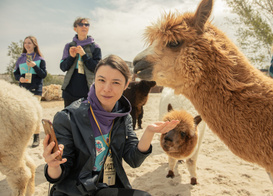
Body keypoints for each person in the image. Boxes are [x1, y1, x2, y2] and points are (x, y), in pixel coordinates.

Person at [43, 55, 179, 196]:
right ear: (94, 81)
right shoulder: (68, 117)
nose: (107, 89)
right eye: (101, 80)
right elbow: (60, 173)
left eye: (115, 82)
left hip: (106, 187)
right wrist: (53, 165)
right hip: (74, 190)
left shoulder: (123, 117)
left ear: (126, 85)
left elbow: (134, 160)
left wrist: (149, 132)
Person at [14, 35, 47, 147]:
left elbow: (43, 74)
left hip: (35, 90)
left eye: (29, 43)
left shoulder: (40, 59)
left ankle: (36, 138)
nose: (27, 45)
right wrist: (20, 78)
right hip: (23, 90)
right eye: (25, 43)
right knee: (22, 114)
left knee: (34, 114)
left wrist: (34, 66)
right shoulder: (20, 59)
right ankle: (23, 138)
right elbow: (15, 73)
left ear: (34, 45)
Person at [60, 17, 102, 107]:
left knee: (86, 119)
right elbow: (63, 67)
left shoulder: (95, 47)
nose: (84, 26)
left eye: (86, 24)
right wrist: (71, 57)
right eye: (81, 24)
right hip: (69, 91)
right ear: (75, 29)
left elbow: (97, 68)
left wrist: (84, 55)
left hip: (88, 90)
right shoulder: (68, 46)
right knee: (69, 119)